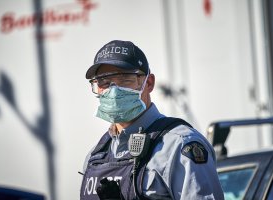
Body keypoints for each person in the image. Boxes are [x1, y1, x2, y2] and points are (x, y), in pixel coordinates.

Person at [80, 40, 224, 200]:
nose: (113, 91)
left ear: (149, 83)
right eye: (103, 82)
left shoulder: (179, 145)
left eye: (125, 80)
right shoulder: (96, 156)